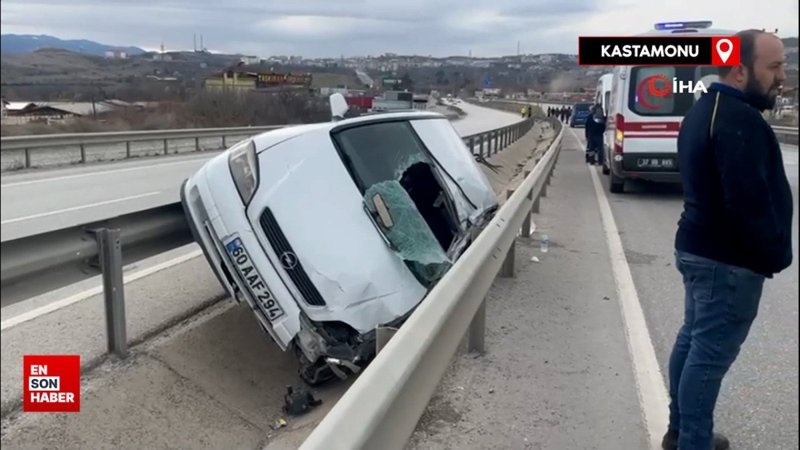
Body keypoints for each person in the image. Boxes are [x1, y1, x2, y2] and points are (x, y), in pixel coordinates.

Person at [665, 29, 793, 450]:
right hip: (726, 261)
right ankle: (693, 442)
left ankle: (681, 431)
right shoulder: (738, 120)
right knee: (708, 356)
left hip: (699, 247)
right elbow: (748, 203)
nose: (782, 76)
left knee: (693, 340)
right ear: (740, 71)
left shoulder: (704, 109)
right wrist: (771, 253)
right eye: (773, 66)